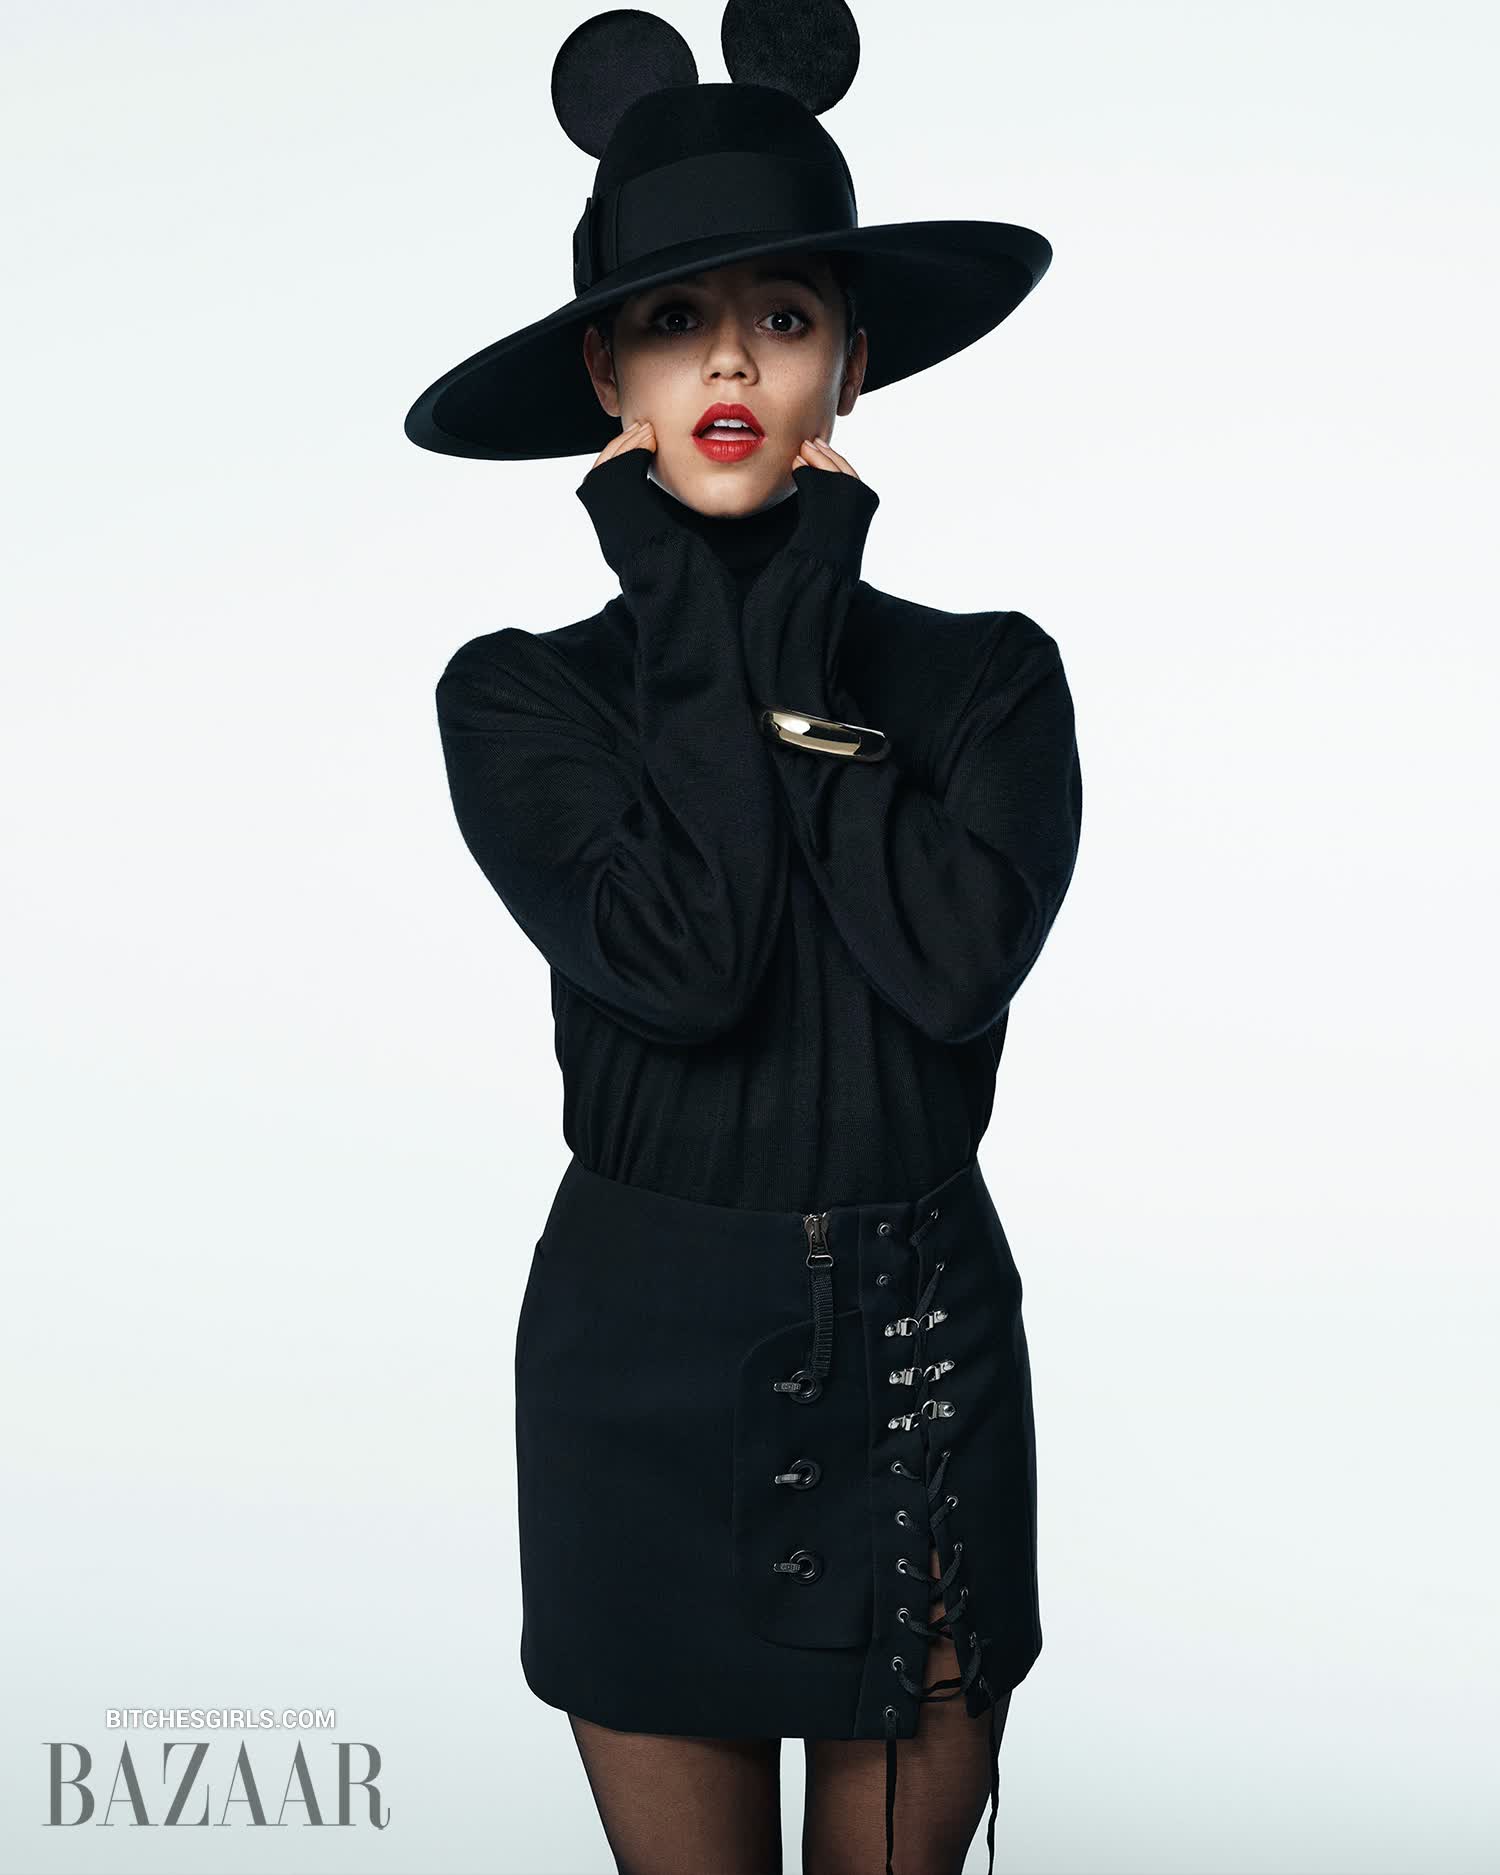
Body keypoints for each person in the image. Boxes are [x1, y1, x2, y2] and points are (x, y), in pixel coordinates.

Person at [408, 6, 1083, 1871]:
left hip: (919, 1354)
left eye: (782, 317)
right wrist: (702, 609)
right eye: (673, 320)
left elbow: (951, 969)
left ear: (849, 363)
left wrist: (796, 641)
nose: (728, 362)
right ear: (606, 372)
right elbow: (692, 964)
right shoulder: (523, 700)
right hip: (637, 1363)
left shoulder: (989, 679)